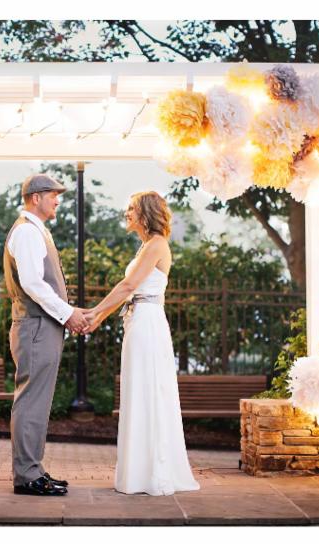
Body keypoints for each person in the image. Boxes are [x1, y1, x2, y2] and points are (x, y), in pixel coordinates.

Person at [84, 191, 200, 496]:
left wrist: (95, 313)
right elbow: (129, 292)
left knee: (149, 391)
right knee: (137, 391)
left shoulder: (158, 244)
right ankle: (138, 472)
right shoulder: (146, 246)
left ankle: (153, 473)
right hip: (137, 320)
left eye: (131, 209)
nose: (127, 214)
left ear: (146, 213)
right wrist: (98, 318)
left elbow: (129, 286)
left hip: (148, 323)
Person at [3, 173, 89, 496]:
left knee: (38, 401)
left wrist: (67, 313)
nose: (57, 200)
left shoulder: (35, 230)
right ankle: (27, 476)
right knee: (31, 401)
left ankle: (33, 469)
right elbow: (33, 284)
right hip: (36, 326)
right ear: (35, 198)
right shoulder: (27, 231)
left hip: (41, 326)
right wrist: (68, 314)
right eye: (52, 194)